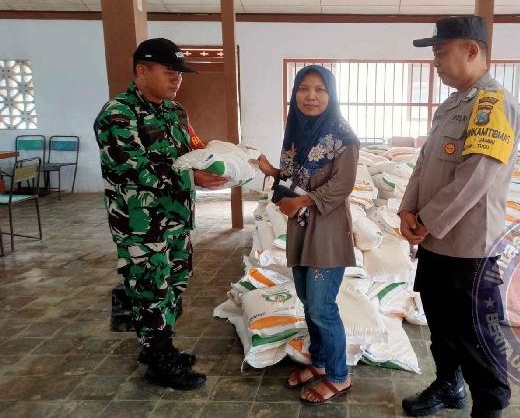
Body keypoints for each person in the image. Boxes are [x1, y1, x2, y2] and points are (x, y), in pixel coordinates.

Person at [399, 16, 520, 418]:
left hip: (470, 246)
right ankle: (449, 386)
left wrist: (427, 220)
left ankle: (489, 407)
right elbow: (424, 164)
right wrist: (407, 209)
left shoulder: (493, 104)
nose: (435, 61)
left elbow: (475, 177)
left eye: (441, 52)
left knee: (476, 334)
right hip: (436, 239)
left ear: (471, 51)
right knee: (441, 325)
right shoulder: (451, 106)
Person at [94, 38, 229, 391]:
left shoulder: (175, 112)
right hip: (142, 225)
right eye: (169, 71)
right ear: (142, 70)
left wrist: (220, 163)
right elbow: (133, 169)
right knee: (149, 290)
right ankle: (159, 360)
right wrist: (192, 177)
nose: (176, 79)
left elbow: (190, 153)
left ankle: (159, 347)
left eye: (179, 73)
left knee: (174, 284)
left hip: (177, 220)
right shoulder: (118, 114)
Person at [250, 65, 359, 404]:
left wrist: (302, 201)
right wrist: (273, 171)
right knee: (309, 302)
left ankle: (339, 376)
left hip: (326, 230)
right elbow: (297, 175)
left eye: (320, 90)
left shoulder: (343, 137)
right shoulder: (297, 131)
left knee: (322, 307)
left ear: (331, 95)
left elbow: (342, 185)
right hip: (300, 228)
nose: (311, 96)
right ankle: (321, 363)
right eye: (303, 88)